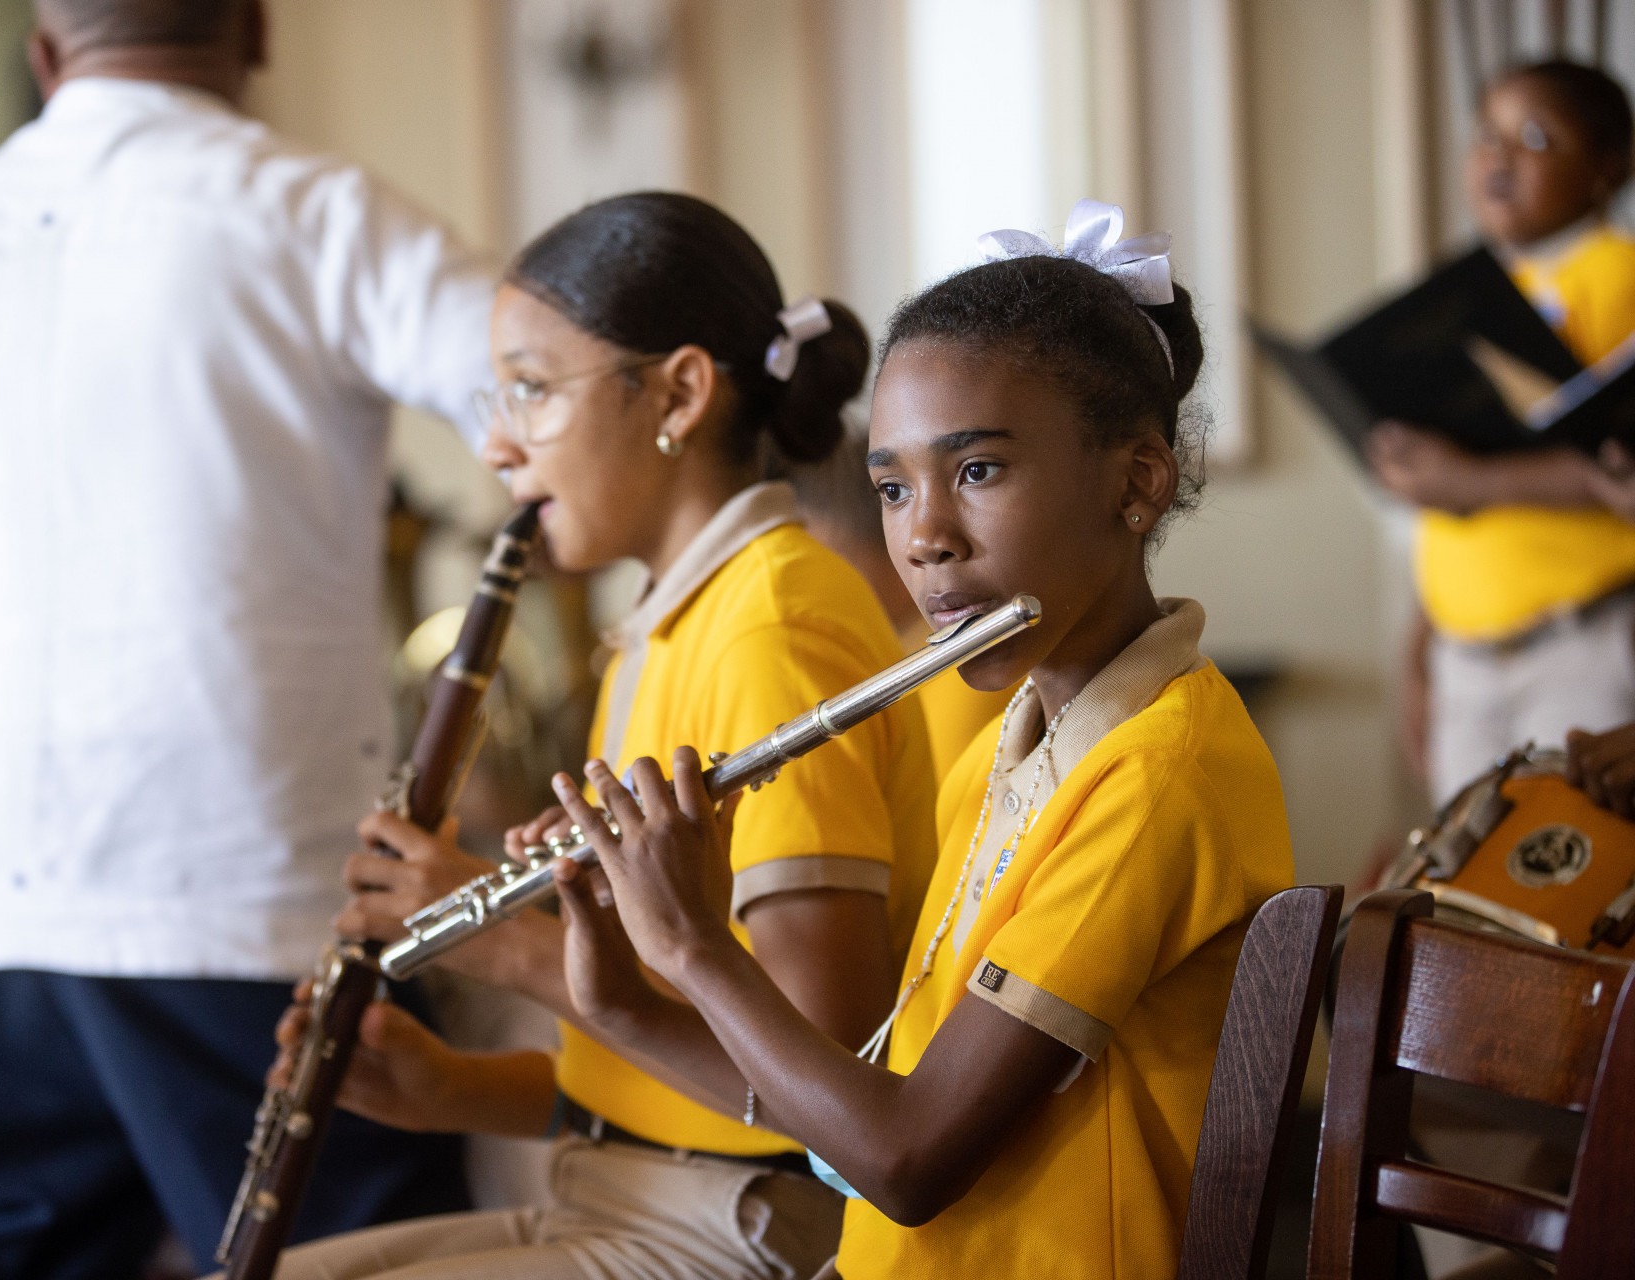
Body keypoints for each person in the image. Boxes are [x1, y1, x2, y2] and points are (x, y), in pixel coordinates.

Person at [0, 0, 493, 1272]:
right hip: (236, 887)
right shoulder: (315, 210)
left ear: (44, 55)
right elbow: (534, 388)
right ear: (256, 32)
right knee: (368, 1255)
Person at [543, 203, 1297, 1279]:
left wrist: (698, 950)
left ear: (1138, 481)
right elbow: (857, 1122)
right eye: (893, 487)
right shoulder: (1009, 750)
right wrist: (622, 996)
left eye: (977, 471)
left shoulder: (1156, 774)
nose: (924, 536)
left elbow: (907, 1159)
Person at [254, 192, 940, 1280]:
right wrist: (452, 1088)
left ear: (678, 393)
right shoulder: (662, 627)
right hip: (626, 1194)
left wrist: (507, 946)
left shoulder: (775, 623)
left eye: (531, 388)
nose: (496, 442)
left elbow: (823, 1079)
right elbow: (673, 1070)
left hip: (749, 1226)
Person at [1367, 60, 1635, 805]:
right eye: (1487, 135)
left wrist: (1471, 481)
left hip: (1582, 641)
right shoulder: (1471, 297)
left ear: (1608, 168)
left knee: (1576, 850)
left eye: (1537, 138)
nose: (1500, 157)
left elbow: (1611, 464)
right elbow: (1451, 511)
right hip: (1463, 654)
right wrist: (1420, 648)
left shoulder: (1616, 274)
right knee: (1468, 865)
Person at [793, 427, 1010, 780]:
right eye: (892, 491)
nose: (922, 543)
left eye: (976, 472)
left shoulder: (977, 670)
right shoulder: (895, 650)